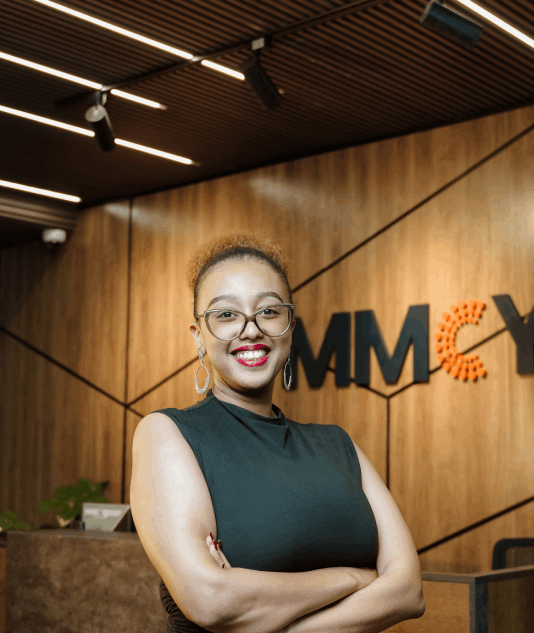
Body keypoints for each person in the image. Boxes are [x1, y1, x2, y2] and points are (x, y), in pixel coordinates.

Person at [130, 231, 424, 633]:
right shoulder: (168, 433)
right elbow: (210, 601)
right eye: (226, 315)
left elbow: (408, 591)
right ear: (198, 336)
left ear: (290, 327)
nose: (251, 329)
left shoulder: (338, 444)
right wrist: (352, 578)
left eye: (268, 311)